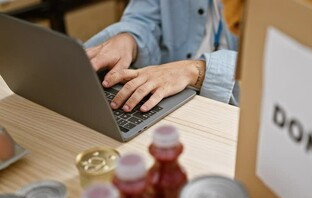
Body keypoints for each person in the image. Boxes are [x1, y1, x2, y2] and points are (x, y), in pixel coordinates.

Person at [84, 0, 240, 113]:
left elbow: (261, 67)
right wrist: (129, 39)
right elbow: (143, 19)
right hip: (164, 91)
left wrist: (197, 70)